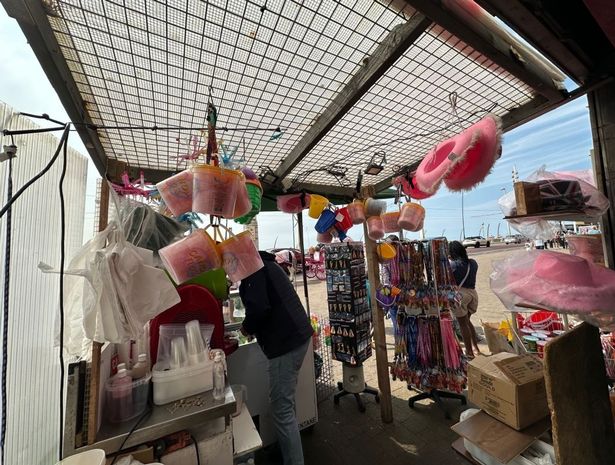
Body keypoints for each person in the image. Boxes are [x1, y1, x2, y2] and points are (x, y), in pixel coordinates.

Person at [239, 251, 314, 465]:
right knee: (286, 403)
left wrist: (246, 328)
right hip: (297, 337)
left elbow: (259, 308)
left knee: (281, 408)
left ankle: (293, 459)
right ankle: (285, 448)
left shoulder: (254, 269)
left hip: (286, 343)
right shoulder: (266, 264)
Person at [449, 241, 481, 359]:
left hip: (461, 296)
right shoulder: (473, 263)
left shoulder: (453, 265)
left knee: (463, 324)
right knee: (467, 322)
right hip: (472, 293)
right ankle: (475, 348)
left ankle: (469, 352)